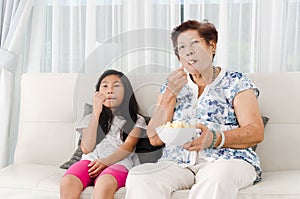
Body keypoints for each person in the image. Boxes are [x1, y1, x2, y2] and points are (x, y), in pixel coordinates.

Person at [125, 20, 264, 199]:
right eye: (181, 47)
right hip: (177, 163)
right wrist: (169, 95)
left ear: (212, 46)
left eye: (195, 43)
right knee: (141, 177)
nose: (188, 51)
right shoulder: (172, 85)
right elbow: (155, 138)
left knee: (217, 178)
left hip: (226, 160)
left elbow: (256, 131)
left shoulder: (236, 81)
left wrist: (215, 138)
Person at [60, 69, 146, 199]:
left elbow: (128, 147)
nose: (110, 90)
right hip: (90, 161)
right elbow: (86, 148)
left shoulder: (136, 120)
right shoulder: (90, 118)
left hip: (119, 163)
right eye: (105, 86)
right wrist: (96, 112)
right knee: (68, 182)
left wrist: (105, 162)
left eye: (116, 86)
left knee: (104, 184)